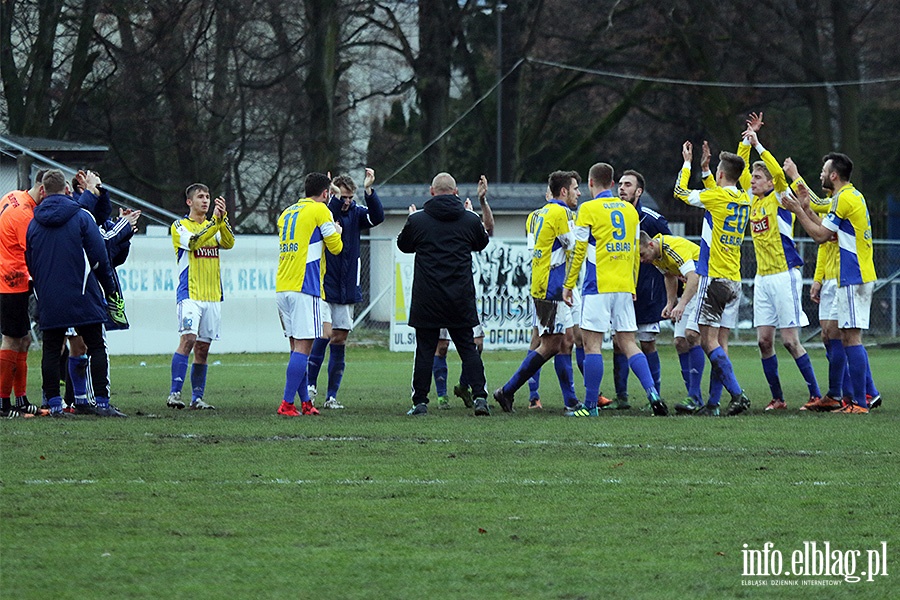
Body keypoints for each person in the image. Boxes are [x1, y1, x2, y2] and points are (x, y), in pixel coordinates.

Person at [561, 163, 666, 417]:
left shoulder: (588, 209)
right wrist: (631, 284)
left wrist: (568, 284)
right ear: (611, 183)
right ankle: (653, 392)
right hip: (623, 286)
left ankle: (589, 406)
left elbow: (577, 251)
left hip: (598, 285)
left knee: (592, 346)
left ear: (590, 183)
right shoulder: (629, 211)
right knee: (629, 343)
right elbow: (634, 253)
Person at [24, 169, 127, 417]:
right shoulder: (81, 217)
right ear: (67, 190)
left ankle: (55, 405)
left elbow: (30, 260)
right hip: (82, 293)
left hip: (50, 296)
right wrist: (109, 288)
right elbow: (99, 256)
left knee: (51, 350)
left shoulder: (33, 223)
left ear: (43, 191)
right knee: (96, 346)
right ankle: (101, 403)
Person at [737, 115, 822, 411]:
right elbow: (738, 169)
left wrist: (759, 145)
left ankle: (815, 393)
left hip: (785, 274)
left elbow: (774, 170)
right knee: (763, 342)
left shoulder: (780, 198)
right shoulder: (753, 200)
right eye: (754, 178)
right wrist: (746, 140)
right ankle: (778, 398)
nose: (754, 180)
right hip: (763, 278)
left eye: (759, 178)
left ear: (771, 182)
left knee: (790, 341)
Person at [781, 158, 880, 411]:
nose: (821, 174)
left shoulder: (844, 198)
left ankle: (861, 401)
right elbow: (828, 229)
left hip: (853, 275)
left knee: (852, 338)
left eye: (824, 171)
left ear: (834, 175)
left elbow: (820, 236)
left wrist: (799, 210)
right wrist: (805, 210)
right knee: (836, 334)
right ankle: (842, 396)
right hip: (848, 276)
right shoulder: (847, 197)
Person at [397, 172, 491, 416]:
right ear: (456, 192)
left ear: (431, 191)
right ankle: (480, 397)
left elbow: (403, 245)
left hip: (427, 297)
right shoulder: (469, 220)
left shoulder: (418, 220)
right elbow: (482, 243)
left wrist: (410, 220)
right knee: (468, 349)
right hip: (459, 296)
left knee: (425, 350)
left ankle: (420, 402)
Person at [493, 171, 581, 414]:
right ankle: (507, 390)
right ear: (563, 191)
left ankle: (570, 401)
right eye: (575, 188)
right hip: (554, 287)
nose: (578, 193)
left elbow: (537, 248)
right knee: (550, 345)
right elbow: (573, 246)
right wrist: (568, 284)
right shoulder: (561, 212)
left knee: (566, 341)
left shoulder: (534, 216)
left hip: (541, 284)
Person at [673, 142, 751, 416]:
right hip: (734, 280)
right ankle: (714, 404)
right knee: (716, 342)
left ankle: (738, 394)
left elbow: (680, 192)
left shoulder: (716, 198)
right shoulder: (744, 198)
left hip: (713, 277)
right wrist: (706, 170)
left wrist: (687, 163)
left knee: (706, 341)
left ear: (721, 175)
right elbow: (717, 195)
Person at [306, 168, 384, 410]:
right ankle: (310, 387)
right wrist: (335, 196)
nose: (347, 201)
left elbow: (378, 216)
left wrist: (369, 190)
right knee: (323, 335)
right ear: (333, 195)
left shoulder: (358, 214)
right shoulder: (326, 212)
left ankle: (331, 396)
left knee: (340, 339)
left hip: (347, 287)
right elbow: (329, 209)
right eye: (343, 197)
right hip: (325, 286)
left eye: (351, 197)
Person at [275, 172, 344, 416]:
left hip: (283, 285)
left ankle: (305, 402)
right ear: (325, 194)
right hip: (305, 286)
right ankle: (286, 404)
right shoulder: (320, 210)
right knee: (304, 347)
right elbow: (335, 247)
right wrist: (337, 230)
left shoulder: (287, 213)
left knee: (296, 348)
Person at [166, 184, 235, 410]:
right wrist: (215, 224)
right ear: (189, 202)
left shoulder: (214, 225)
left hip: (212, 295)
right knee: (188, 340)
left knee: (203, 349)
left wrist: (222, 220)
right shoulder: (180, 226)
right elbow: (194, 242)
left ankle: (197, 398)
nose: (205, 201)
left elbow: (229, 242)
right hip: (190, 295)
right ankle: (175, 393)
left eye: (207, 197)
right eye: (200, 197)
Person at [609, 169, 671, 410]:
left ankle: (653, 395)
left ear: (639, 191)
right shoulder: (615, 215)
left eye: (628, 185)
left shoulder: (652, 219)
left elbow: (669, 248)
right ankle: (622, 397)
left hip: (648, 290)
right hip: (622, 288)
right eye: (620, 184)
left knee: (647, 342)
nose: (622, 188)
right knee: (619, 342)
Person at [639, 231, 705, 413]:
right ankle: (694, 396)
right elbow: (669, 275)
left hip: (705, 285)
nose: (642, 260)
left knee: (693, 336)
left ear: (651, 245)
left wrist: (681, 304)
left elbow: (693, 277)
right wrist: (670, 303)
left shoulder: (671, 247)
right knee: (680, 342)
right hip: (692, 290)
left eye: (642, 254)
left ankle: (697, 397)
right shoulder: (656, 257)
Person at [0, 169, 47, 418]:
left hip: (8, 277)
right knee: (11, 339)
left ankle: (19, 399)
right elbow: (32, 251)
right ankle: (3, 403)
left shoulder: (11, 196)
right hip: (12, 280)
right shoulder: (25, 216)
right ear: (41, 190)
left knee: (24, 339)